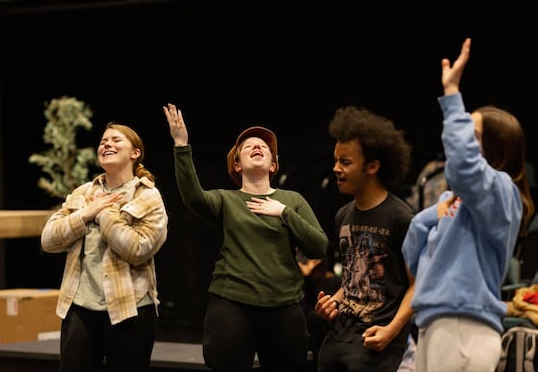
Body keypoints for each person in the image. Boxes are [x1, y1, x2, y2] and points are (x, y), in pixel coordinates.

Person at [402, 37, 535, 372]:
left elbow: (462, 165)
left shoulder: (503, 192)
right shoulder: (453, 200)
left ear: (496, 148)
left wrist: (452, 97)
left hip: (466, 326)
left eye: (473, 138)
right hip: (434, 322)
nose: (462, 144)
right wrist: (431, 215)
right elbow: (414, 255)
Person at [163, 103, 329, 372]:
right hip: (232, 304)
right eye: (249, 145)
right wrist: (182, 145)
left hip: (283, 306)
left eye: (265, 147)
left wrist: (284, 212)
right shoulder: (226, 200)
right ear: (237, 164)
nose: (258, 146)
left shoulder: (291, 200)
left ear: (273, 164)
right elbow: (193, 196)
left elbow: (318, 247)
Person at [40, 122, 168, 372]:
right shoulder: (83, 193)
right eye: (103, 141)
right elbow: (49, 240)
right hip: (80, 307)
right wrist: (85, 213)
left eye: (116, 140)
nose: (107, 144)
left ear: (135, 153)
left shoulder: (148, 196)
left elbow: (139, 249)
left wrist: (104, 215)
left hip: (129, 308)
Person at [314, 105, 416, 372]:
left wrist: (391, 331)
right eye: (336, 160)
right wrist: (334, 300)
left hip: (377, 339)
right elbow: (352, 279)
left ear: (372, 166)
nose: (336, 169)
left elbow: (419, 285)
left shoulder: (401, 218)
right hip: (341, 335)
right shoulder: (342, 216)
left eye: (345, 162)